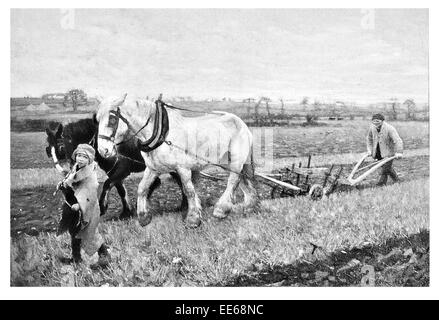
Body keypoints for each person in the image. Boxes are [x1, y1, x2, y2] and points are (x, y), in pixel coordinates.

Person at [57, 143, 111, 269]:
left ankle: (104, 255)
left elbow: (90, 192)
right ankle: (76, 258)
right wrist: (63, 184)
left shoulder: (90, 174)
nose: (80, 159)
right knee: (74, 232)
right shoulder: (76, 168)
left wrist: (79, 205)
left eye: (84, 157)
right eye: (78, 155)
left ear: (90, 159)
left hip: (86, 207)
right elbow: (70, 181)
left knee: (90, 232)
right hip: (74, 205)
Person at [366, 113, 403, 186]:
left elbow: (398, 140)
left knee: (385, 169)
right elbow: (369, 139)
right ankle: (397, 180)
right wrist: (369, 150)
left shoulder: (389, 128)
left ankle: (381, 184)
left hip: (388, 152)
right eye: (374, 121)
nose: (376, 123)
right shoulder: (372, 128)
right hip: (377, 152)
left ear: (382, 121)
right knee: (387, 167)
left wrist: (399, 152)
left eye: (378, 121)